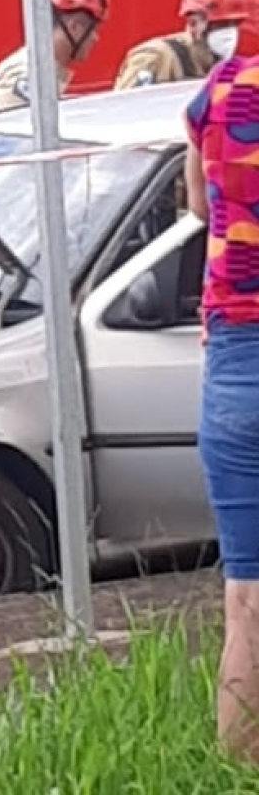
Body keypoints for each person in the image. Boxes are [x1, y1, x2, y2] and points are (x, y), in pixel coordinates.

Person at [185, 53, 259, 763]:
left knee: (247, 596)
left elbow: (199, 207)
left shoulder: (222, 89)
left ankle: (239, 774)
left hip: (235, 358)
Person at [0, 0, 111, 118]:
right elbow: (7, 135)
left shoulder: (43, 69)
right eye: (93, 30)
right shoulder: (30, 74)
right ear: (75, 26)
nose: (95, 38)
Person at [115, 0, 248, 90]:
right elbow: (121, 110)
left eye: (235, 24)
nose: (229, 33)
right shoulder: (155, 58)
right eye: (220, 25)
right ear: (193, 22)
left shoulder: (227, 70)